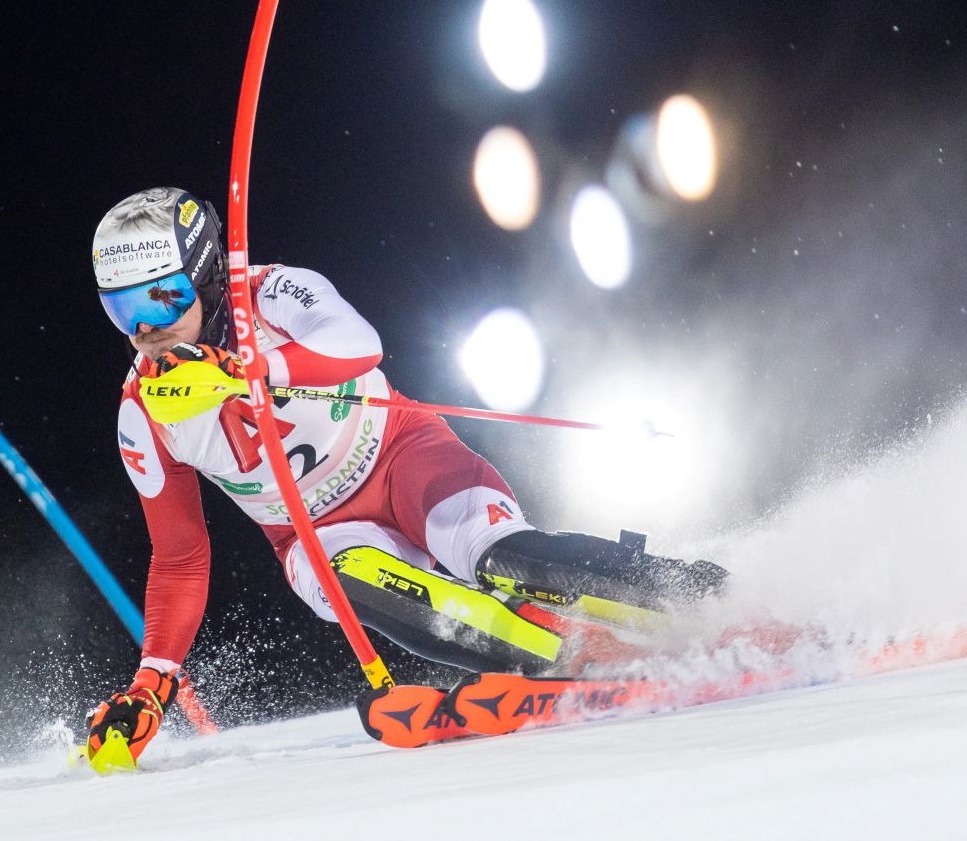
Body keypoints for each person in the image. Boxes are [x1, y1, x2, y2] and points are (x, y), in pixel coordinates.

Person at [83, 187, 727, 762]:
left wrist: (239, 370)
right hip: (316, 534)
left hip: (402, 456)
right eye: (120, 311)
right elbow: (180, 558)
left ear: (203, 276)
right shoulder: (142, 414)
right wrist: (152, 687)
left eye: (160, 300)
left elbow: (359, 344)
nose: (145, 331)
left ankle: (711, 600)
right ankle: (572, 656)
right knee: (373, 589)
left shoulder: (270, 292)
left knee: (503, 558)